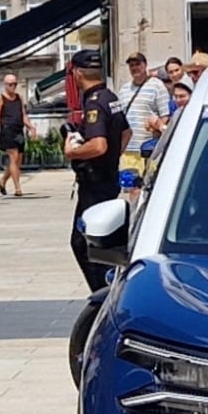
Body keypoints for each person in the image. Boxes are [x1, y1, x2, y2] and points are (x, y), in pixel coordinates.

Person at [64, 48, 128, 294]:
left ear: (78, 73)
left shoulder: (94, 103)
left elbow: (98, 145)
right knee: (102, 240)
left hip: (95, 182)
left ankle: (102, 294)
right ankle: (107, 289)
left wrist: (73, 151)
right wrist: (113, 159)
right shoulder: (110, 97)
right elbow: (126, 132)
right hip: (108, 178)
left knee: (84, 243)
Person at [0, 72, 27, 198]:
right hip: (7, 130)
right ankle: (18, 188)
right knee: (13, 156)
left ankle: (2, 181)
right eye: (11, 84)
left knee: (18, 161)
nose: (13, 87)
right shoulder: (0, 98)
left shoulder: (19, 98)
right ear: (5, 85)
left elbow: (23, 115)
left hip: (19, 130)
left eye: (15, 84)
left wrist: (31, 127)